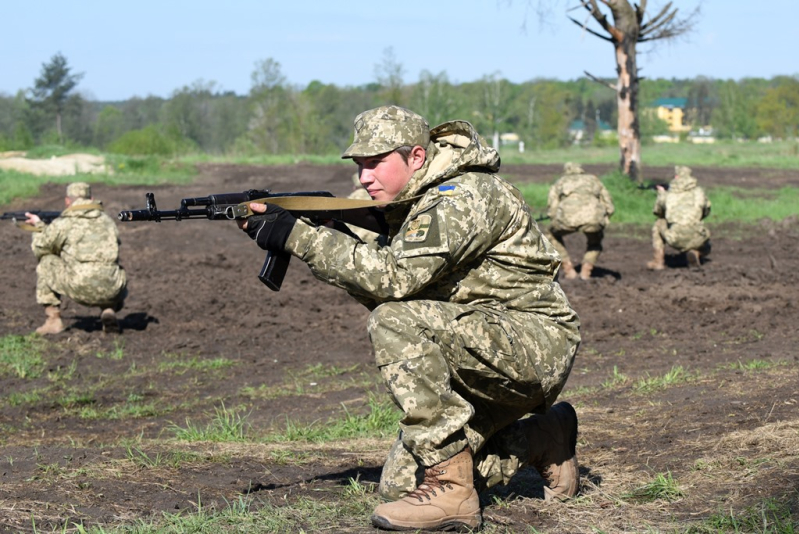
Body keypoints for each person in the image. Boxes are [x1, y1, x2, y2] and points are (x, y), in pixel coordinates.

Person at [238, 106, 581, 531]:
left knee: (395, 321)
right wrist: (331, 234)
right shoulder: (411, 203)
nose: (364, 178)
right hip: (474, 346)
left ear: (416, 157)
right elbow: (391, 287)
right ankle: (541, 440)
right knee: (400, 488)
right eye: (360, 165)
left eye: (375, 163)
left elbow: (395, 282)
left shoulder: (463, 196)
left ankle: (454, 491)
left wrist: (302, 238)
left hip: (532, 343)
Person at [24, 182, 127, 334]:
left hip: (80, 286)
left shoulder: (64, 223)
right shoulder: (107, 221)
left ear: (67, 201)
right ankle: (108, 308)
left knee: (46, 261)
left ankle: (53, 320)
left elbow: (40, 248)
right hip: (112, 289)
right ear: (91, 198)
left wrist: (38, 227)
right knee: (110, 266)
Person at [545, 162, 615, 280]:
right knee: (595, 241)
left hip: (566, 220)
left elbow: (552, 209)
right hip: (593, 219)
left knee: (550, 234)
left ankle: (568, 269)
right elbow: (610, 206)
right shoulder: (594, 180)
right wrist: (604, 218)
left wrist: (556, 218)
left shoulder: (560, 182)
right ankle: (586, 271)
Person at [646, 165, 711, 270]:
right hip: (697, 236)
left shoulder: (668, 195)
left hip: (675, 237)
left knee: (658, 224)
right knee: (705, 237)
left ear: (676, 177)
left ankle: (658, 261)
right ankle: (696, 251)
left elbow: (658, 212)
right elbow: (706, 211)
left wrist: (661, 194)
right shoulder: (699, 192)